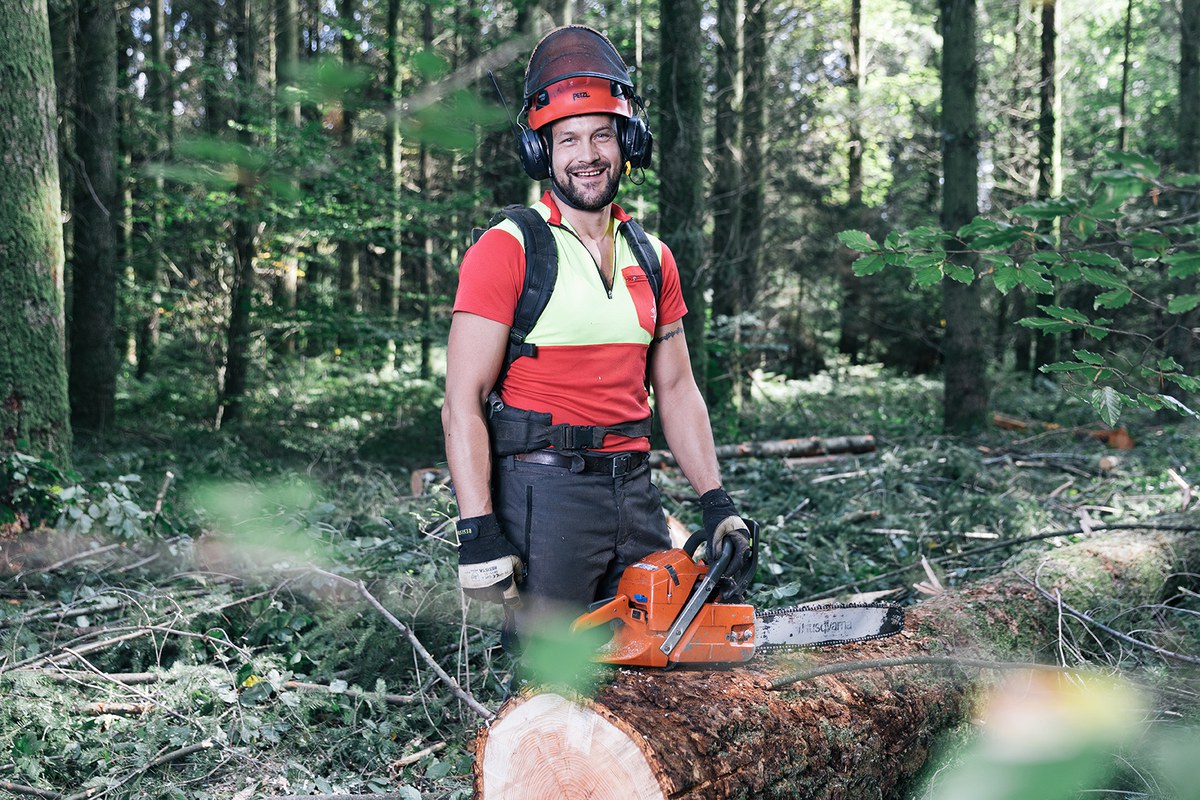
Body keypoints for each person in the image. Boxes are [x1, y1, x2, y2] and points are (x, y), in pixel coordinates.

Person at [441, 25, 752, 643]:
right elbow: (461, 404)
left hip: (634, 490)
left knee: (655, 662)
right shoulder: (509, 249)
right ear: (543, 153)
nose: (588, 154)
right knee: (549, 679)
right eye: (568, 139)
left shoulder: (653, 255)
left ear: (627, 141)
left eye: (602, 134)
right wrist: (477, 529)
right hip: (544, 494)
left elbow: (680, 388)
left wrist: (714, 499)